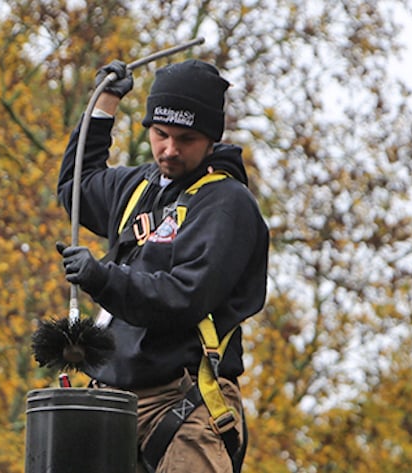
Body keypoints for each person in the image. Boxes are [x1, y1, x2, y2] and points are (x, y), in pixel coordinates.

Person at [56, 58, 269, 473]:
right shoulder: (138, 187)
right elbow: (75, 188)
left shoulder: (227, 206)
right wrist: (104, 107)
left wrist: (103, 279)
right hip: (112, 402)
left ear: (211, 139)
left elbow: (183, 297)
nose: (169, 150)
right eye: (160, 134)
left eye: (186, 139)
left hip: (183, 404)